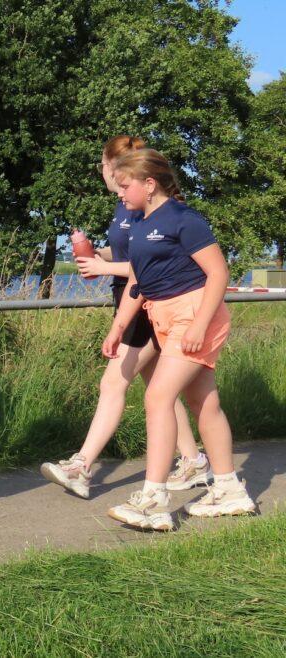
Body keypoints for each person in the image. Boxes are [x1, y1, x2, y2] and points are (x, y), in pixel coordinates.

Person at [41, 136, 207, 498]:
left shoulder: (145, 207)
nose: (104, 174)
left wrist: (104, 268)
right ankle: (194, 460)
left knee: (113, 383)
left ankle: (81, 466)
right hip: (129, 299)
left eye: (103, 165)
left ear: (115, 167)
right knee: (159, 387)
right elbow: (129, 251)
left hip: (145, 300)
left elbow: (151, 262)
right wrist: (97, 254)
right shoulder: (125, 206)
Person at [103, 148, 255, 531]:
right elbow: (138, 281)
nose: (119, 193)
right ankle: (229, 489)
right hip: (164, 316)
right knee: (203, 401)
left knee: (158, 397)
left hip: (194, 314)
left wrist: (199, 325)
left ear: (149, 184)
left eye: (125, 185)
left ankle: (154, 500)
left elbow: (218, 273)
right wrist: (119, 327)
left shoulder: (184, 219)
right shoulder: (140, 225)